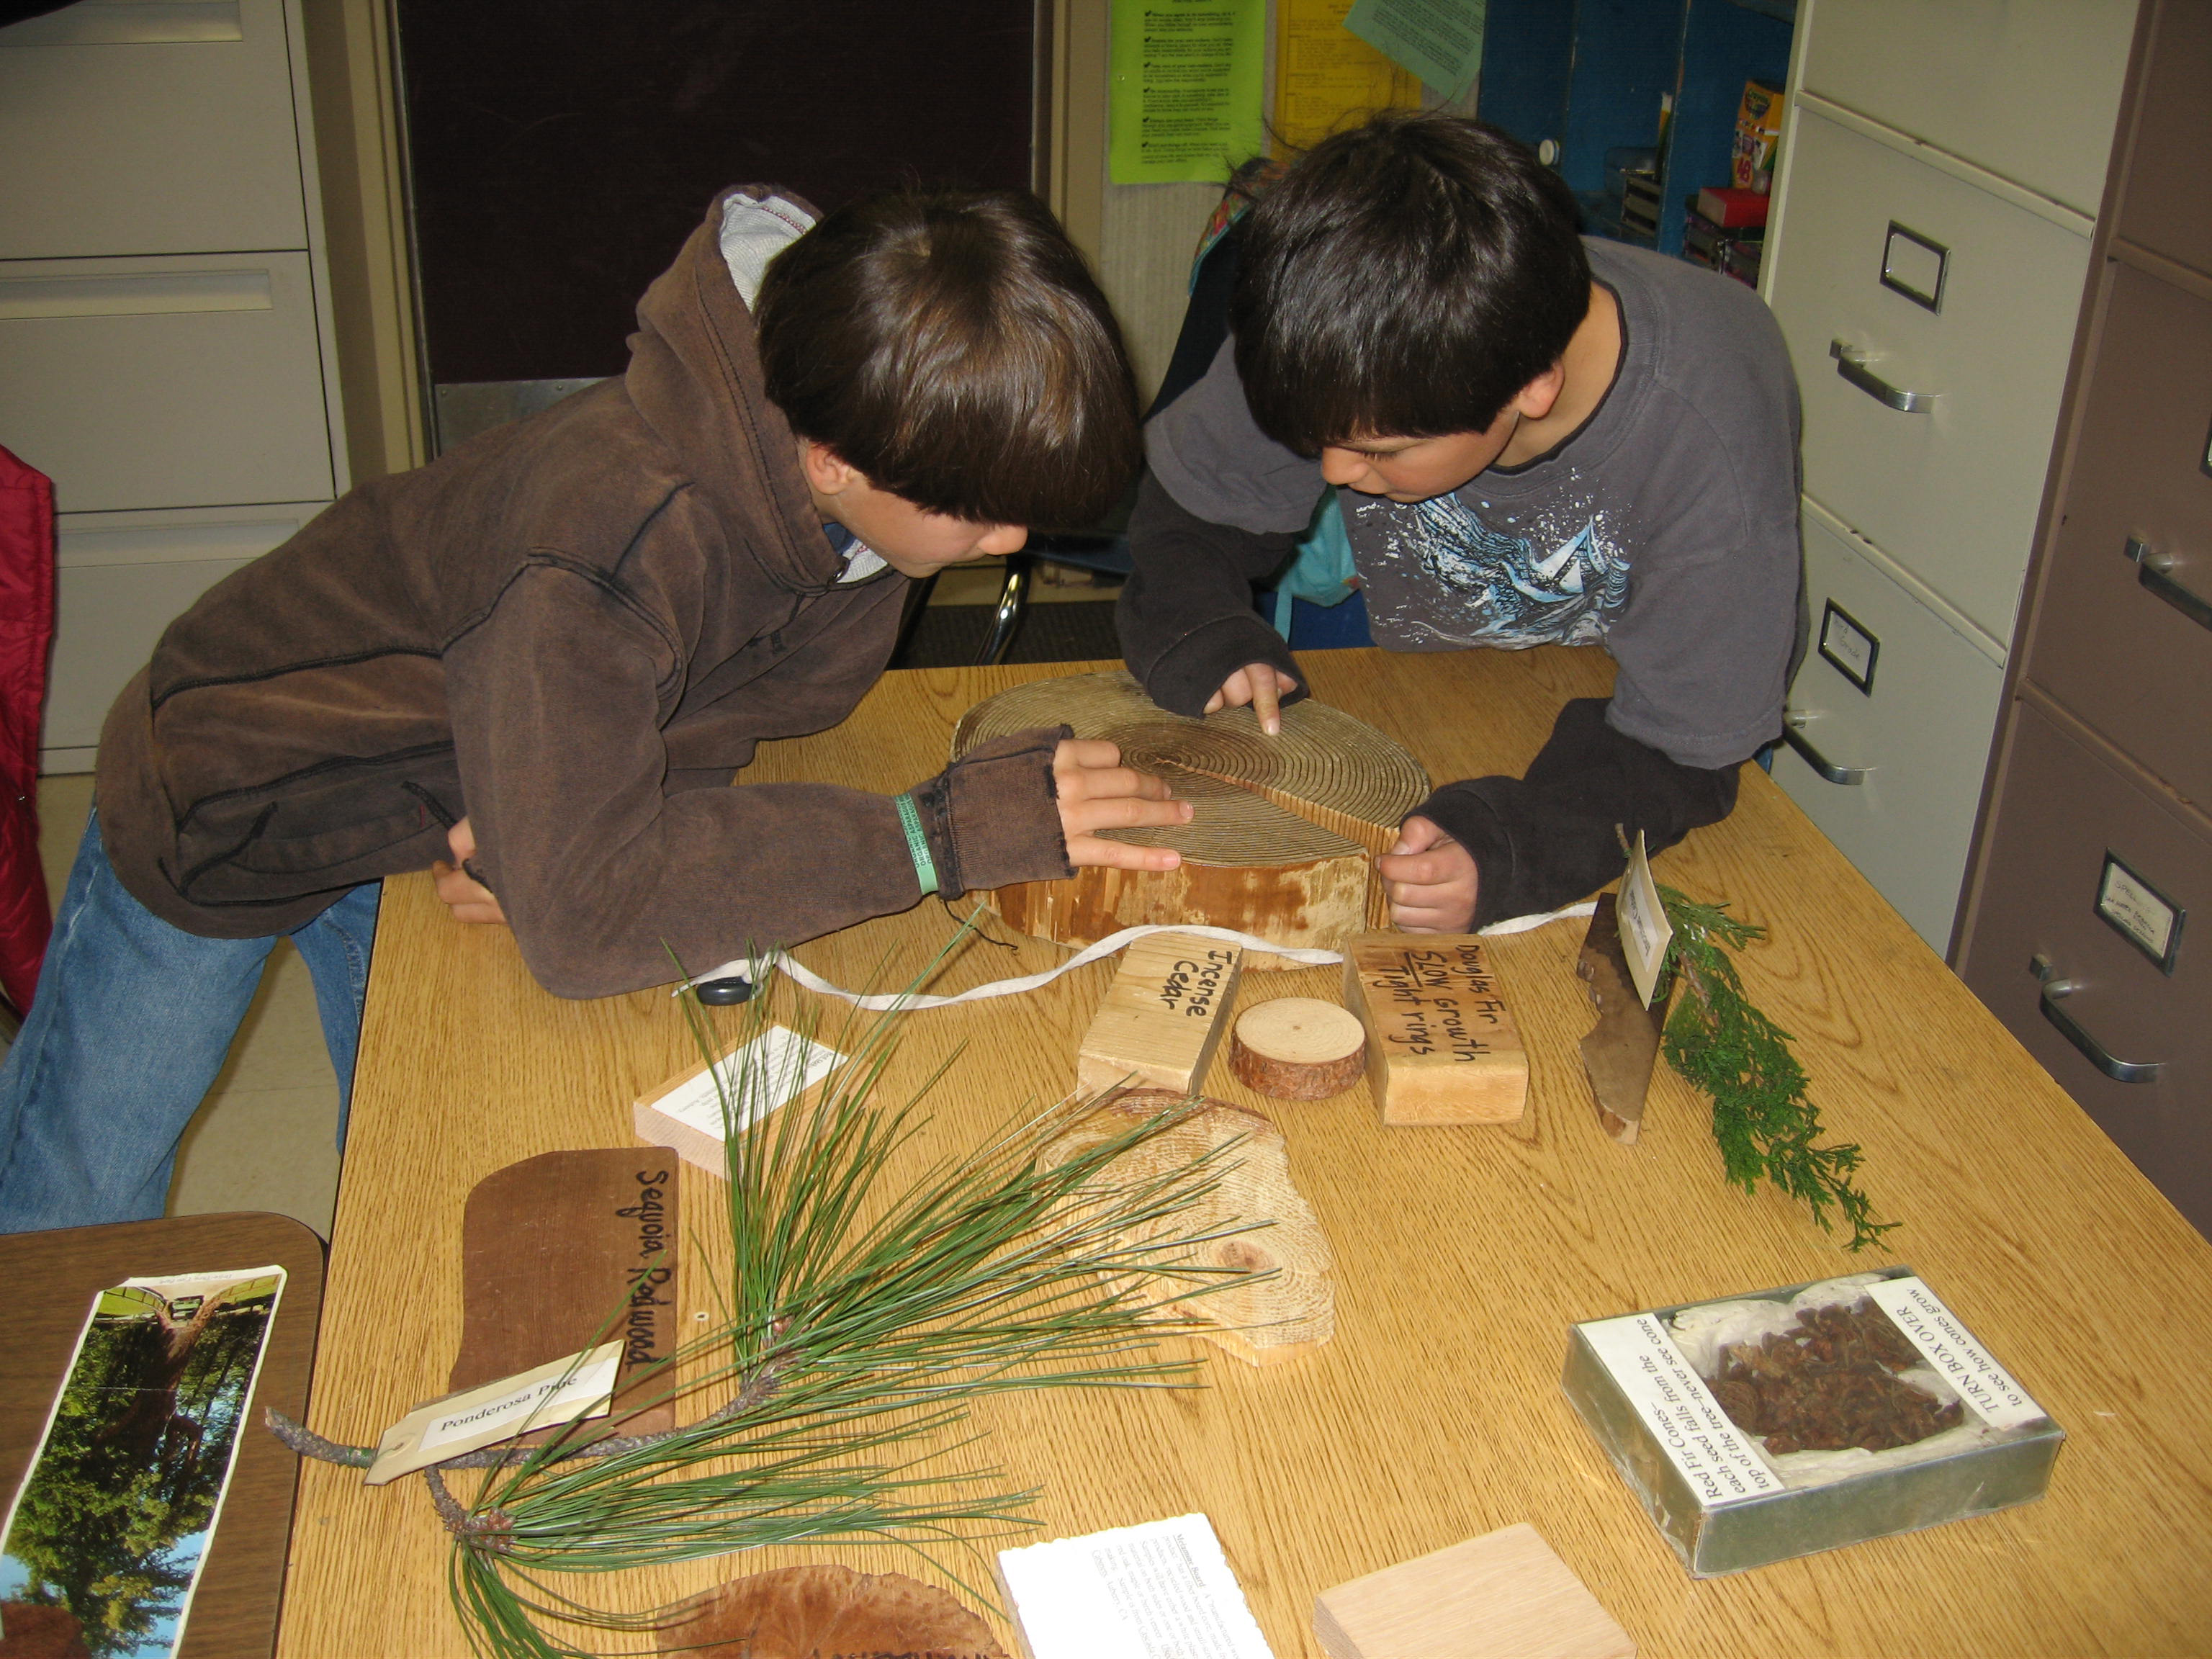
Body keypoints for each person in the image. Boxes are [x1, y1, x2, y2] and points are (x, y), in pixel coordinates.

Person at [0, 185, 1191, 1233]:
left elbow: (712, 706)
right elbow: (589, 917)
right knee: (83, 1191)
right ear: (831, 457)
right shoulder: (606, 540)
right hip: (242, 786)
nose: (1013, 541)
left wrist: (539, 818)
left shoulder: (856, 481)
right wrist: (934, 835)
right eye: (978, 512)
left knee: (420, 1157)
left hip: (456, 775)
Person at [1118, 112, 1802, 932]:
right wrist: (1202, 627)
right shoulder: (1334, 318)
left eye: (1380, 451)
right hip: (1419, 658)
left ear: (1533, 389)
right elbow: (1190, 514)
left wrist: (1512, 848)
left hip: (1653, 717)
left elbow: (1686, 753)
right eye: (1317, 442)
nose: (1333, 475)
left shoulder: (1709, 426)